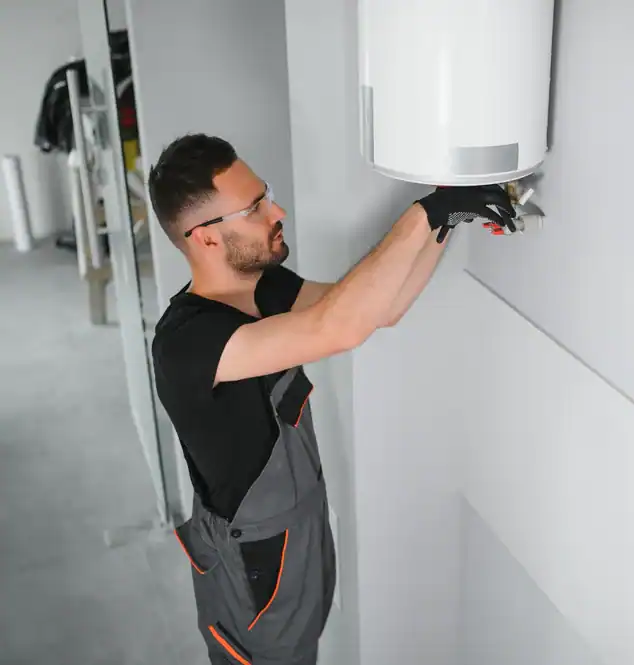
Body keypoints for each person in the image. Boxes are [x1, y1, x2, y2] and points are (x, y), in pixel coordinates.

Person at [147, 133, 516, 665]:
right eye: (255, 208)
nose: (278, 210)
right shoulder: (188, 342)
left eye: (265, 195)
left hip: (297, 534)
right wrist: (426, 210)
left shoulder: (264, 288)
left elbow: (378, 309)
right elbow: (336, 327)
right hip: (253, 565)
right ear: (205, 238)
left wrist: (446, 213)